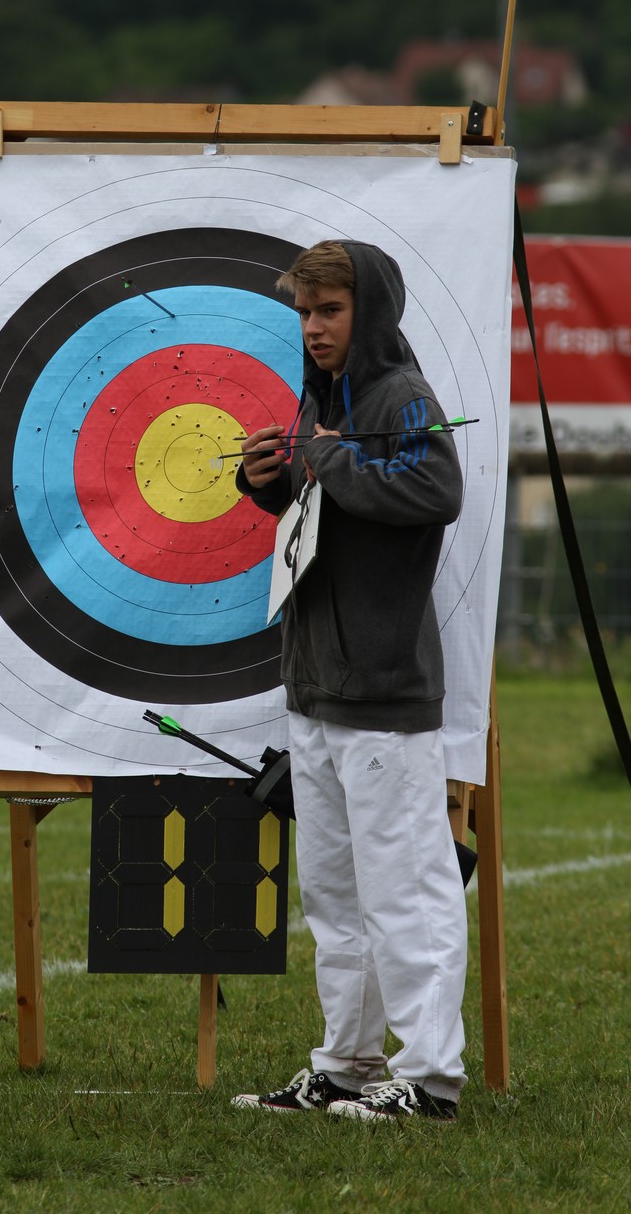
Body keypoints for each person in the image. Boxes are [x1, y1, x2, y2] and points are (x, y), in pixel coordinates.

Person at [230, 240, 468, 1122]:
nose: (313, 327)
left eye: (329, 310)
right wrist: (275, 484)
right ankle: (345, 1064)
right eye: (304, 312)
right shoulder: (321, 399)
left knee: (404, 884)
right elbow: (331, 511)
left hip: (381, 690)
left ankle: (431, 1078)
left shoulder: (398, 396)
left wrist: (326, 460)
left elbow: (435, 486)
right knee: (335, 892)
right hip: (318, 684)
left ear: (367, 312)